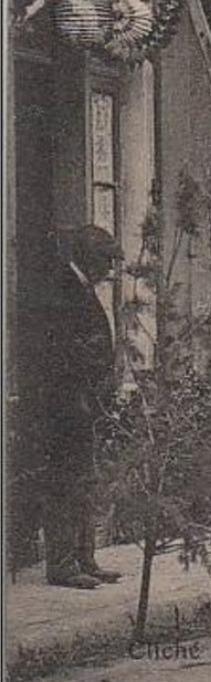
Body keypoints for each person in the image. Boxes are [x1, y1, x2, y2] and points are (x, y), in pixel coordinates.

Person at [16, 225, 122, 589]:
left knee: (85, 482)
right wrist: (89, 379)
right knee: (64, 482)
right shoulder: (60, 291)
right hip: (63, 406)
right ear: (88, 259)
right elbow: (59, 352)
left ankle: (85, 558)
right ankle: (62, 565)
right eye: (105, 260)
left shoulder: (81, 288)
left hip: (84, 403)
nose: (110, 269)